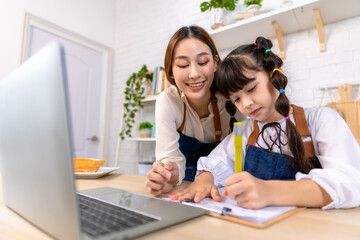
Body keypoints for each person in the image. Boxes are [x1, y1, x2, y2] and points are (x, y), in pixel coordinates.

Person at [168, 36, 360, 210]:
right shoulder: (244, 133)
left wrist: (268, 192)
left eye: (251, 88)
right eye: (236, 99)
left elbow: (349, 182)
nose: (247, 104)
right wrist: (205, 179)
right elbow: (215, 163)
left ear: (276, 74)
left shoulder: (321, 120)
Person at [145, 26, 244, 196]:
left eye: (203, 62)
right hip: (186, 182)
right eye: (183, 65)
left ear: (215, 62)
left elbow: (242, 152)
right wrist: (169, 176)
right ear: (171, 72)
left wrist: (209, 177)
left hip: (226, 183)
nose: (194, 74)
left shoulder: (234, 96)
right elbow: (169, 159)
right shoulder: (168, 100)